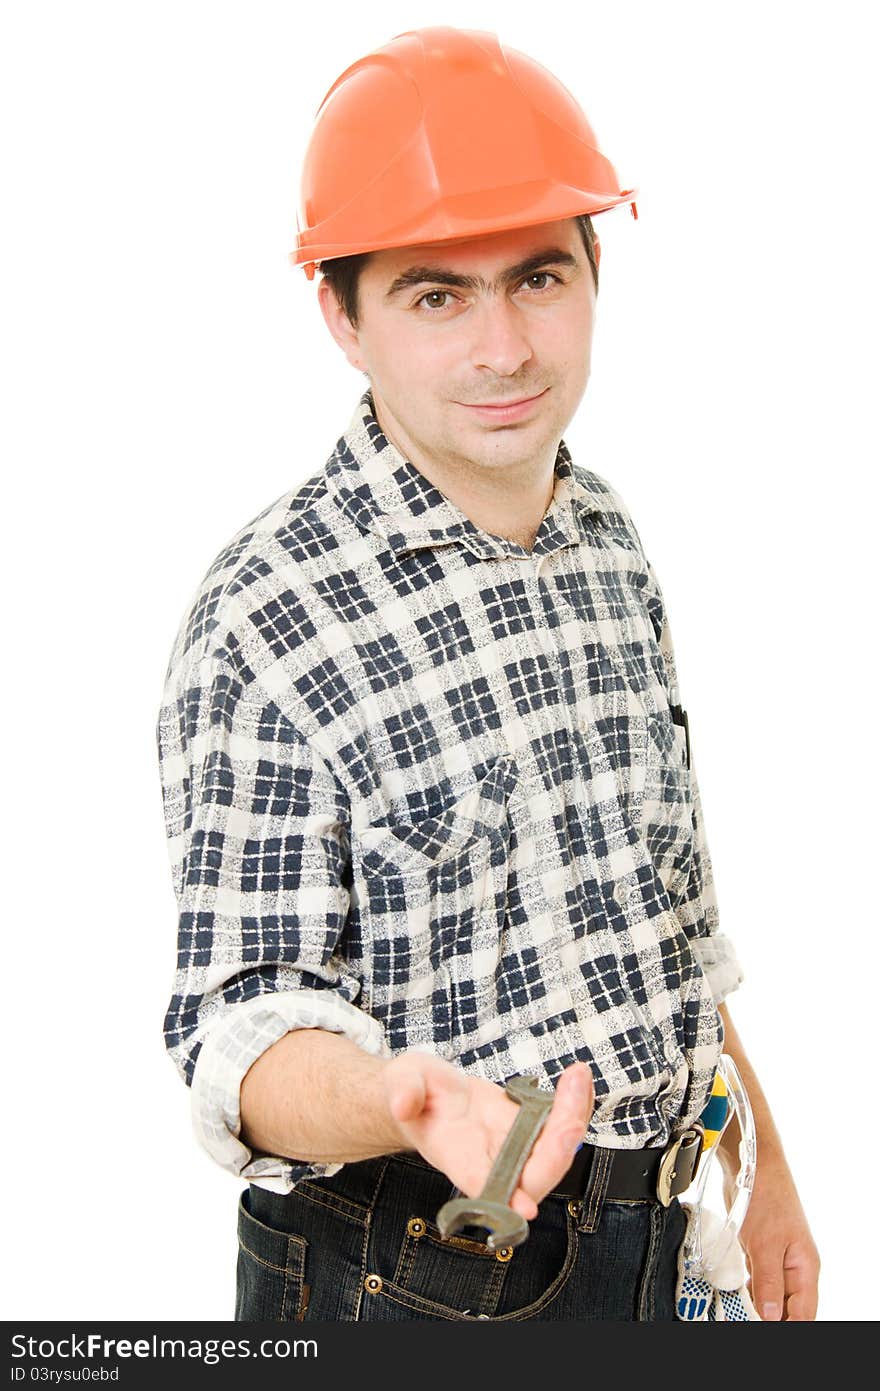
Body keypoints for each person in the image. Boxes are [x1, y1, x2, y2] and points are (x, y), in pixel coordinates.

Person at [156, 25, 819, 1321]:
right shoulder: (270, 614)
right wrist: (392, 1097)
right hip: (419, 1278)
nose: (506, 348)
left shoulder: (608, 539)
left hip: (675, 1255)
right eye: (435, 295)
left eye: (537, 278)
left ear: (592, 270)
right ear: (341, 316)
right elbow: (235, 1035)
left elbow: (664, 914)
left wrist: (759, 1164)